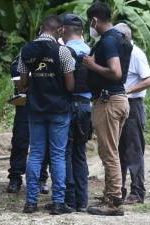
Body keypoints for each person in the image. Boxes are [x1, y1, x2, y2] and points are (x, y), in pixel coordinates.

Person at [18, 15, 75, 215]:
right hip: (59, 109)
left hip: (36, 109)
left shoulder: (26, 51)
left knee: (35, 154)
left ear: (42, 28)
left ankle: (31, 202)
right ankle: (58, 202)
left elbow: (22, 83)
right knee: (58, 155)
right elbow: (70, 85)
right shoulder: (63, 52)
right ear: (59, 30)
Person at [82, 2, 132, 216]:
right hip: (118, 100)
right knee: (111, 151)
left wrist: (92, 66)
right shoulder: (120, 38)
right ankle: (111, 194)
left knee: (108, 153)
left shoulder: (109, 41)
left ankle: (113, 201)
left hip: (109, 101)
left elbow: (115, 72)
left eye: (90, 22)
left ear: (94, 21)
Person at [114, 23, 150, 204]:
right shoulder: (119, 53)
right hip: (120, 103)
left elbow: (149, 80)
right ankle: (118, 189)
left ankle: (137, 192)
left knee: (133, 149)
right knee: (118, 148)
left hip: (133, 104)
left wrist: (127, 91)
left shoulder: (136, 54)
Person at [61, 14, 91, 212]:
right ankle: (83, 201)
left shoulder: (64, 52)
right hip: (87, 107)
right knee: (80, 154)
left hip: (69, 106)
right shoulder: (91, 50)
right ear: (81, 31)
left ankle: (69, 201)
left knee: (66, 154)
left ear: (64, 30)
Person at [6, 56, 50, 194]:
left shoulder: (52, 56)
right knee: (20, 140)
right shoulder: (25, 56)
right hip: (25, 104)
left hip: (45, 104)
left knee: (44, 143)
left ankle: (41, 179)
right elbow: (17, 76)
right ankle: (15, 177)